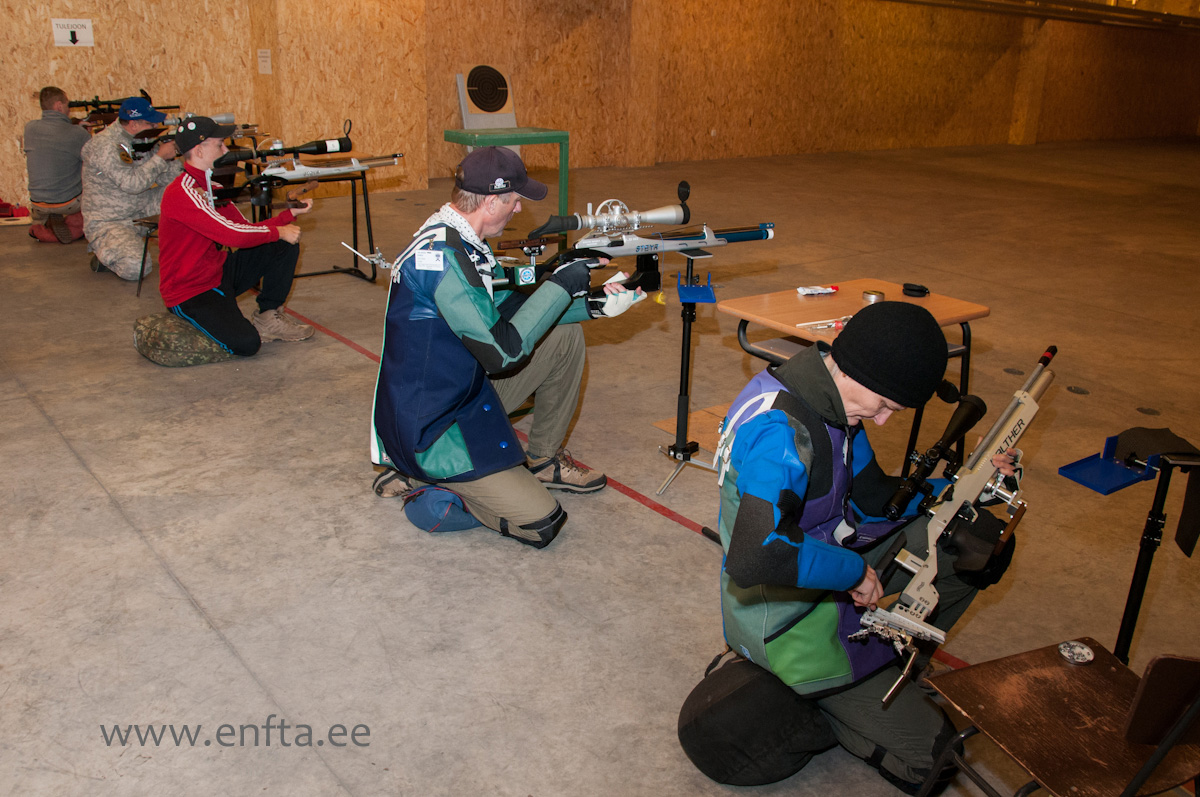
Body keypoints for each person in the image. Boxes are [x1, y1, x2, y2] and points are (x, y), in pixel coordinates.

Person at [682, 301, 1019, 793]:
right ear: (854, 370)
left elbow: (878, 497)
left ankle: (891, 666)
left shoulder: (834, 401)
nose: (882, 421)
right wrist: (853, 574)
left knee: (972, 538)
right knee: (937, 761)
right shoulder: (780, 432)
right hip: (786, 619)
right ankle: (829, 703)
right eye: (884, 405)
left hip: (823, 577)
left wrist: (967, 486)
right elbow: (755, 555)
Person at [370, 146, 645, 548]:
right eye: (515, 201)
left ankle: (544, 459)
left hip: (462, 389)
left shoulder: (463, 240)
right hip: (430, 425)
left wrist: (594, 305)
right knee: (541, 522)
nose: (518, 209)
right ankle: (429, 480)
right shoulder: (441, 258)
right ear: (493, 200)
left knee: (564, 337)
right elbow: (503, 353)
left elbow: (506, 308)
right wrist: (561, 283)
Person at [156, 116, 315, 356]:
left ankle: (267, 316)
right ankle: (201, 322)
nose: (225, 149)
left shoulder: (213, 188)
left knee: (282, 245)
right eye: (219, 144)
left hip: (217, 273)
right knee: (247, 345)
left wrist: (288, 215)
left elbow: (244, 227)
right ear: (199, 151)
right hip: (189, 290)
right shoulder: (181, 193)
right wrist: (278, 230)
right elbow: (232, 236)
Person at [81, 96, 181, 279]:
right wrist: (159, 158)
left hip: (141, 208)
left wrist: (172, 154)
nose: (155, 128)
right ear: (134, 124)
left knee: (186, 196)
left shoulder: (144, 139)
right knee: (137, 267)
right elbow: (131, 184)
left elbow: (172, 180)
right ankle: (106, 253)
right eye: (150, 124)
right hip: (109, 220)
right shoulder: (105, 145)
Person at [22, 86, 91, 243]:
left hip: (37, 203)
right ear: (59, 106)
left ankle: (43, 225)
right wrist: (86, 134)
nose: (68, 109)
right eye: (67, 105)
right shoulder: (78, 134)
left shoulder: (30, 128)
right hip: (68, 203)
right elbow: (94, 159)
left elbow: (55, 143)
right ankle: (73, 222)